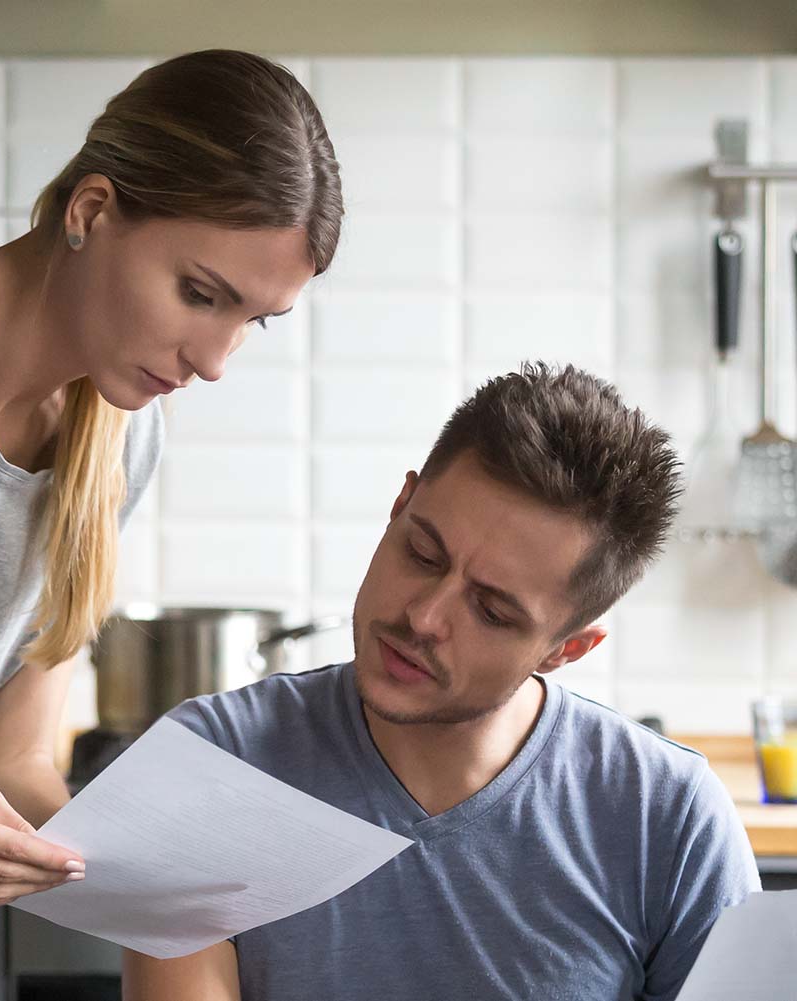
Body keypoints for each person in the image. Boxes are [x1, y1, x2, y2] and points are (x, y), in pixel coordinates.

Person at [0, 49, 342, 999]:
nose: (216, 359)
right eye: (201, 293)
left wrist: (195, 879)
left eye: (256, 318)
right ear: (92, 211)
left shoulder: (121, 445)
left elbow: (9, 762)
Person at [124, 363, 761, 1001]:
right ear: (400, 505)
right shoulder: (214, 761)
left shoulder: (670, 818)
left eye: (492, 611)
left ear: (566, 649)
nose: (423, 618)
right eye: (423, 554)